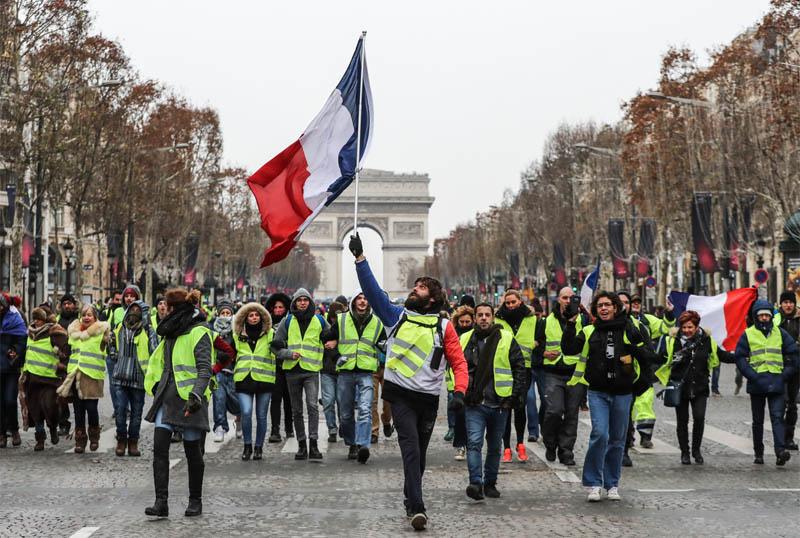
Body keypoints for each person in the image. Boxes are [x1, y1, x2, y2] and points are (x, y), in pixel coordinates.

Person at [349, 233, 468, 531]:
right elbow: (374, 293)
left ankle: (408, 495)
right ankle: (418, 507)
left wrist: (460, 392)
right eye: (415, 285)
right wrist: (360, 259)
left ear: (434, 297)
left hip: (427, 399)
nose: (414, 289)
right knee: (411, 450)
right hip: (399, 395)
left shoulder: (444, 327)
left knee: (420, 457)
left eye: (421, 287)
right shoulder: (395, 316)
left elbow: (458, 361)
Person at [561, 291, 650, 502]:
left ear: (616, 307)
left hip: (623, 392)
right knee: (600, 434)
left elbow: (646, 355)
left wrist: (639, 384)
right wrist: (571, 324)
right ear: (595, 310)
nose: (603, 308)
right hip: (597, 391)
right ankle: (594, 483)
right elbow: (569, 348)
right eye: (600, 305)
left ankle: (612, 484)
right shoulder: (589, 330)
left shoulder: (629, 328)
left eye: (608, 305)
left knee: (618, 440)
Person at [143, 288, 212, 518]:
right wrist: (155, 386)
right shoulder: (170, 332)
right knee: (160, 449)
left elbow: (204, 369)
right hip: (167, 398)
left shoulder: (199, 331)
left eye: (168, 307)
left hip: (190, 400)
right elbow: (161, 364)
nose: (163, 310)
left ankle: (195, 501)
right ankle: (160, 501)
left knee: (193, 452)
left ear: (177, 309)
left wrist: (196, 396)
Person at [461, 302, 526, 500]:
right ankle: (475, 483)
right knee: (473, 443)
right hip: (474, 403)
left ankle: (490, 483)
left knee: (495, 446)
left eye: (487, 314)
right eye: (479, 315)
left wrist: (514, 396)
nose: (483, 318)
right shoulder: (464, 339)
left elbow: (519, 367)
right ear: (474, 318)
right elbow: (456, 368)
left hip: (500, 402)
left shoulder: (506, 338)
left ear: (493, 317)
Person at [656, 310, 734, 464]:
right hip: (680, 387)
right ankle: (684, 453)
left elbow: (722, 356)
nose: (687, 330)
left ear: (697, 327)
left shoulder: (706, 340)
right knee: (682, 421)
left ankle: (696, 450)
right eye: (684, 327)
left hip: (700, 386)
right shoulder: (673, 341)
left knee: (699, 418)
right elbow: (659, 357)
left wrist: (741, 356)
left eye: (690, 327)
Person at [734, 299, 799, 466]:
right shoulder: (747, 334)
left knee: (777, 417)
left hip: (777, 382)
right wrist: (752, 375)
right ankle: (759, 452)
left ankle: (780, 451)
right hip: (757, 383)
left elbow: (793, 355)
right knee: (758, 421)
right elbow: (740, 357)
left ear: (771, 317)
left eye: (767, 315)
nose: (764, 318)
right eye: (761, 315)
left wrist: (785, 375)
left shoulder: (780, 333)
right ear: (756, 316)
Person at [272, 288, 333, 460]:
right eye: (299, 300)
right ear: (295, 303)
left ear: (310, 302)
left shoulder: (320, 320)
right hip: (292, 371)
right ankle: (301, 445)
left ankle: (313, 444)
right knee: (297, 410)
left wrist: (332, 342)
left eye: (306, 300)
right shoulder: (287, 321)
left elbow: (331, 337)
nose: (303, 303)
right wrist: (288, 354)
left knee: (312, 406)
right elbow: (275, 346)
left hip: (311, 370)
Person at [534, 287, 586, 466]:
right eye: (564, 297)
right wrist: (543, 353)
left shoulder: (583, 320)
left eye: (572, 298)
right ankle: (550, 443)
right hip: (553, 373)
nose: (568, 301)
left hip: (575, 373)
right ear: (558, 300)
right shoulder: (545, 322)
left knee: (572, 414)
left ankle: (566, 451)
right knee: (554, 411)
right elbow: (535, 345)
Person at [334, 291, 386, 463]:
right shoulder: (341, 320)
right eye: (360, 298)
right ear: (354, 301)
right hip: (346, 372)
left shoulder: (378, 323)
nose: (363, 301)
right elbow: (325, 339)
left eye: (366, 298)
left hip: (366, 372)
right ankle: (351, 444)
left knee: (365, 409)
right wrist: (336, 354)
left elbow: (385, 344)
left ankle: (363, 445)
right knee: (346, 414)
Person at [108, 300, 158, 457]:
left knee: (136, 414)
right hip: (120, 377)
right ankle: (121, 441)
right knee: (120, 411)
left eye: (138, 309)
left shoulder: (149, 332)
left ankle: (133, 442)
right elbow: (111, 345)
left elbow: (155, 353)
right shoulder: (120, 329)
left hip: (138, 379)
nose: (134, 312)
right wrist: (115, 356)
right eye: (132, 309)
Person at [59, 305, 110, 453]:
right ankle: (80, 440)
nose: (86, 317)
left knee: (91, 409)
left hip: (92, 376)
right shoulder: (74, 334)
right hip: (75, 375)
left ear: (95, 317)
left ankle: (94, 436)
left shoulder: (101, 332)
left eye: (89, 315)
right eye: (84, 315)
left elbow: (107, 344)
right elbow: (69, 352)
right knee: (78, 410)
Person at [494, 289, 537, 463]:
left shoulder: (532, 319)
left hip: (524, 368)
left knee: (520, 407)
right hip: (503, 368)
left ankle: (520, 443)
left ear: (520, 301)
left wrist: (536, 345)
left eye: (513, 301)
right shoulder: (498, 320)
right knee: (505, 408)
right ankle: (506, 447)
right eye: (508, 302)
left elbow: (539, 338)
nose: (510, 305)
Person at [19, 307, 68, 450]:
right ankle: (40, 438)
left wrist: (62, 363)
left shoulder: (53, 332)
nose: (36, 322)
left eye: (39, 319)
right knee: (35, 411)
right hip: (32, 378)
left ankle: (53, 428)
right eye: (34, 318)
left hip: (49, 379)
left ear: (45, 320)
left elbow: (66, 347)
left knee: (50, 407)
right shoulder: (29, 334)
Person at [629, 294, 674, 447]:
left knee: (645, 404)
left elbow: (665, 327)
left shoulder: (647, 320)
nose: (635, 305)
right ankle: (628, 436)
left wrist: (668, 313)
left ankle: (645, 436)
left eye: (637, 302)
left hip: (644, 369)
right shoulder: (619, 321)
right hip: (625, 369)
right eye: (632, 302)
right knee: (626, 406)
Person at [232, 301, 275, 461]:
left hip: (265, 379)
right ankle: (247, 445)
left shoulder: (271, 334)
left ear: (262, 317)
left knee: (262, 416)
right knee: (246, 412)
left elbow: (278, 349)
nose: (254, 317)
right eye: (251, 315)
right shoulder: (237, 335)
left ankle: (258, 447)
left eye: (257, 315)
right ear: (245, 318)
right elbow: (230, 352)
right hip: (244, 379)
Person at [211, 300, 241, 443]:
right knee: (219, 400)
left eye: (228, 313)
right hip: (218, 370)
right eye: (222, 313)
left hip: (234, 371)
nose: (225, 315)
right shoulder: (212, 329)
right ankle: (220, 427)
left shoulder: (237, 329)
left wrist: (231, 355)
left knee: (236, 401)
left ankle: (239, 419)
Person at [446, 305, 474, 460]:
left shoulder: (475, 336)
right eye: (462, 321)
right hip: (457, 381)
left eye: (467, 321)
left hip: (473, 379)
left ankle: (471, 445)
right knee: (460, 415)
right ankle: (461, 445)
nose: (464, 324)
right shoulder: (453, 334)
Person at [0, 293, 27, 448]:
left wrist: (13, 354)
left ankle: (14, 429)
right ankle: (2, 433)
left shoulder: (15, 318)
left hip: (10, 367)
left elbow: (22, 339)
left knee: (10, 400)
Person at [266, 292, 294, 442]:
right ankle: (275, 429)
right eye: (275, 307)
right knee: (275, 398)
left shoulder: (291, 323)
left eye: (281, 307)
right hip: (274, 367)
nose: (277, 310)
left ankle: (289, 428)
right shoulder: (266, 325)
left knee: (289, 399)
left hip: (289, 365)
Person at [775, 291, 800, 450]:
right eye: (785, 302)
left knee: (792, 403)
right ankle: (780, 437)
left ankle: (789, 437)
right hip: (779, 366)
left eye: (790, 302)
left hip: (797, 367)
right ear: (781, 304)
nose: (788, 305)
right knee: (780, 402)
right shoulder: (776, 319)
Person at [321, 301, 347, 444]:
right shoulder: (324, 328)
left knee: (342, 402)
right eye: (333, 318)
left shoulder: (348, 328)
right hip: (327, 370)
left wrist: (337, 341)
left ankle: (343, 425)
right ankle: (332, 429)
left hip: (342, 371)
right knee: (328, 401)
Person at [527, 298, 546, 443]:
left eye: (538, 315)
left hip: (542, 367)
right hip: (528, 367)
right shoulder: (525, 326)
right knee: (530, 399)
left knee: (546, 400)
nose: (536, 318)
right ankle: (533, 430)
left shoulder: (545, 325)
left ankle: (542, 423)